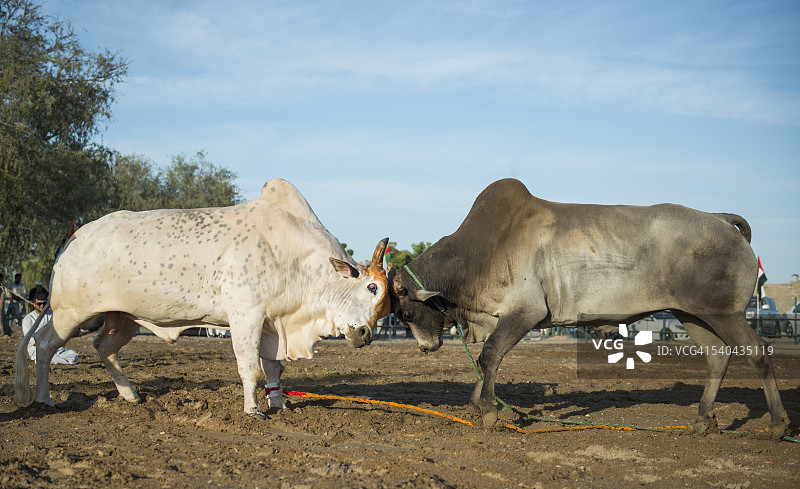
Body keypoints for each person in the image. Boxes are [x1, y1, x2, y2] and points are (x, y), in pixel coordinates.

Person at [22, 292, 79, 365]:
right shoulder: (28, 319)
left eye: (44, 303)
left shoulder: (51, 314)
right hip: (38, 349)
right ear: (34, 304)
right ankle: (58, 361)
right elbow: (30, 340)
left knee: (74, 356)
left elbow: (58, 330)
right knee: (46, 358)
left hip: (54, 347)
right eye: (39, 304)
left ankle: (60, 360)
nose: (42, 306)